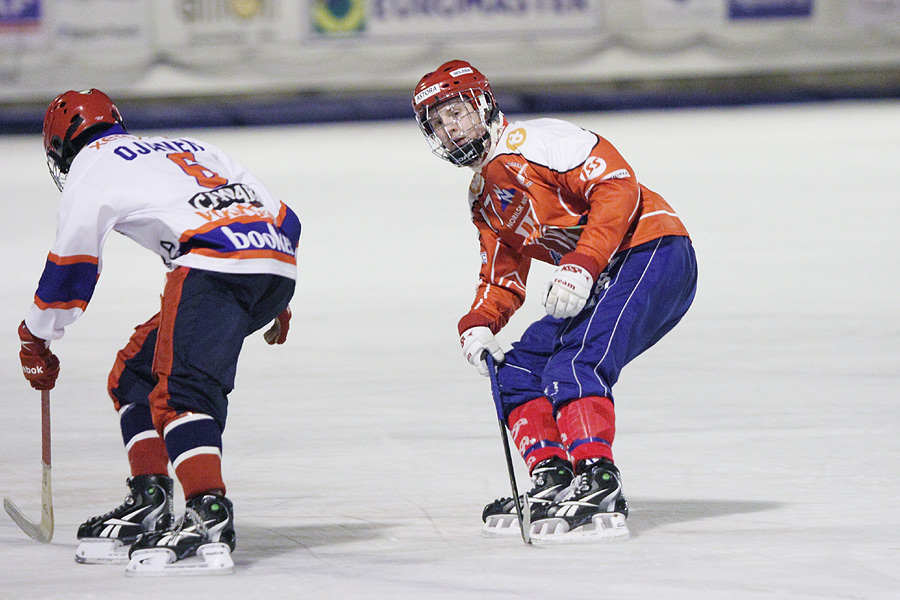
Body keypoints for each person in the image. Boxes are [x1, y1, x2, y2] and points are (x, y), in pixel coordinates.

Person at [412, 61, 697, 543]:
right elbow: (502, 276)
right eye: (437, 123)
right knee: (518, 371)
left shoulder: (537, 142)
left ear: (483, 104)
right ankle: (554, 476)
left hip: (653, 249)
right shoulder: (484, 195)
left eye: (456, 113)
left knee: (575, 363)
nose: (449, 129)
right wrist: (479, 321)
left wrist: (583, 262)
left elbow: (616, 184)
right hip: (603, 271)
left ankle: (599, 480)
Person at [17, 89, 300, 574]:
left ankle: (208, 510)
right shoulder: (186, 146)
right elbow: (284, 216)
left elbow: (73, 261)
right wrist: (273, 290)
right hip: (274, 262)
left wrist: (37, 334)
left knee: (183, 391)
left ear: (63, 146)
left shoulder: (93, 165)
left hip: (212, 266)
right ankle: (149, 498)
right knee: (135, 375)